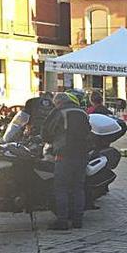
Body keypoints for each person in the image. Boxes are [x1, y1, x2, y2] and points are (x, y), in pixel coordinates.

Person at [43, 92, 93, 230]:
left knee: (61, 188)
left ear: (58, 102)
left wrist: (52, 141)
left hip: (64, 155)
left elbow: (45, 132)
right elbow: (89, 130)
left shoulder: (59, 112)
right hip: (82, 154)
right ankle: (78, 220)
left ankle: (62, 221)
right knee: (78, 188)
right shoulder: (83, 112)